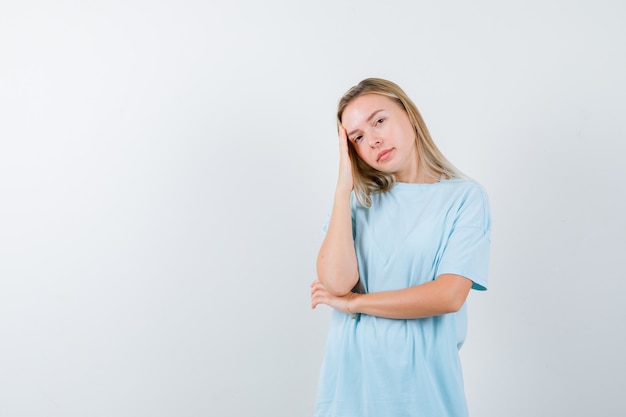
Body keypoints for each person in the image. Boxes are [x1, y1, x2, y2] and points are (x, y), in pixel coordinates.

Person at [310, 78, 491, 417]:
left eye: (379, 120)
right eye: (358, 138)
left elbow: (448, 296)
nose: (373, 139)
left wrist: (355, 304)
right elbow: (336, 283)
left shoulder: (464, 198)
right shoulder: (355, 204)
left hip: (422, 394)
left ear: (408, 113)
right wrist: (341, 190)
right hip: (351, 394)